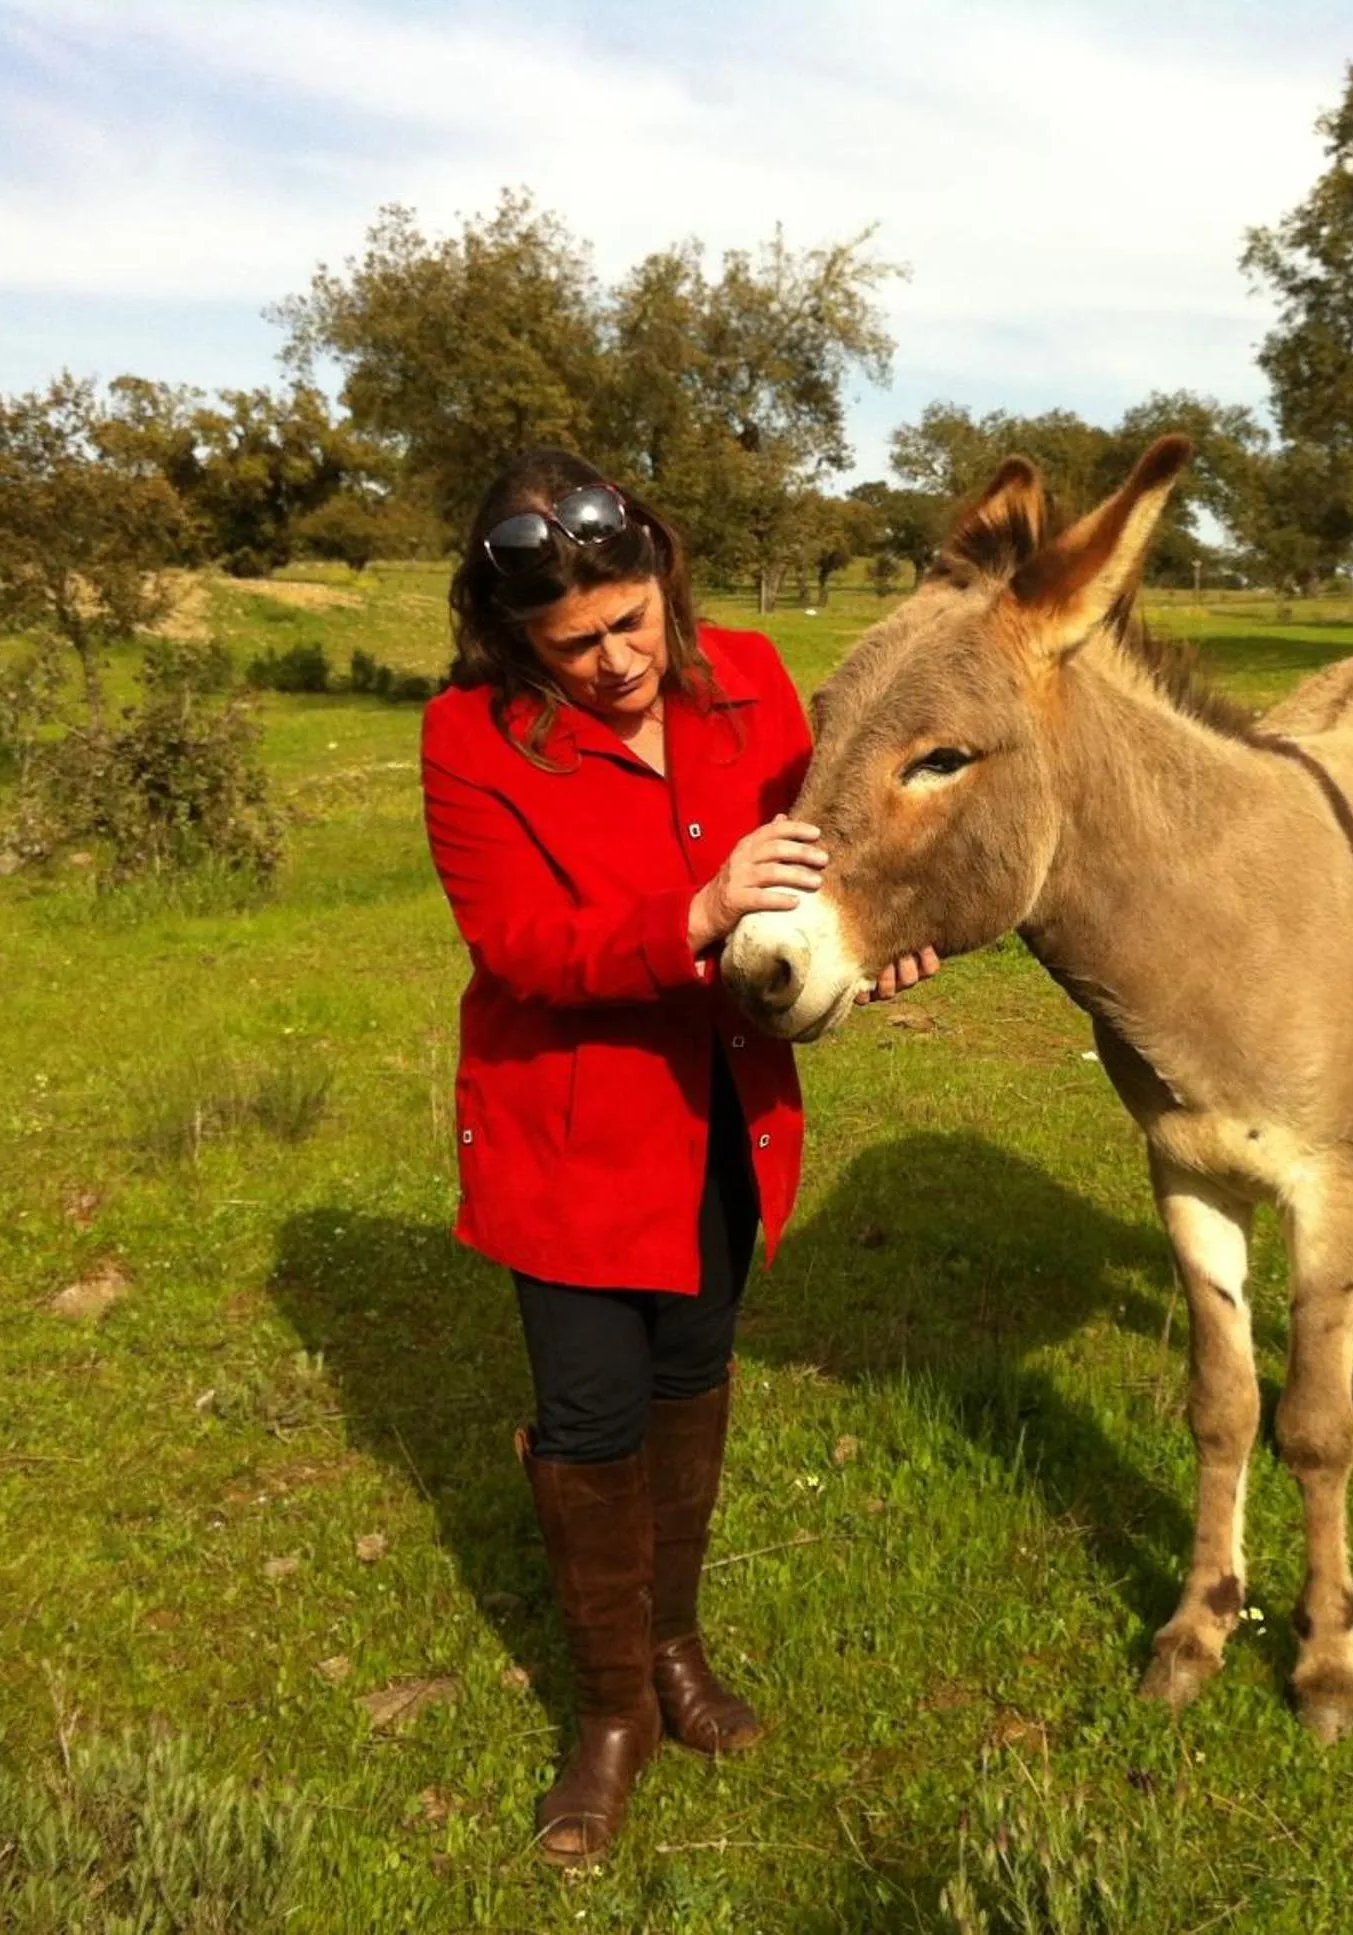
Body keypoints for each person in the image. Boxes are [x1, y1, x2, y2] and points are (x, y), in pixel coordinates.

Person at [421, 449, 934, 1867]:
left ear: (665, 580)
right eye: (571, 643)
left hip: (726, 1110)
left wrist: (868, 947)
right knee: (591, 1414)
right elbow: (519, 947)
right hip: (567, 1129)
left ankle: (675, 1649)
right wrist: (696, 908)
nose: (615, 661)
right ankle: (606, 1715)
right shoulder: (469, 736)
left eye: (633, 621)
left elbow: (828, 859)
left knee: (694, 1377)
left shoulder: (756, 675)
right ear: (511, 633)